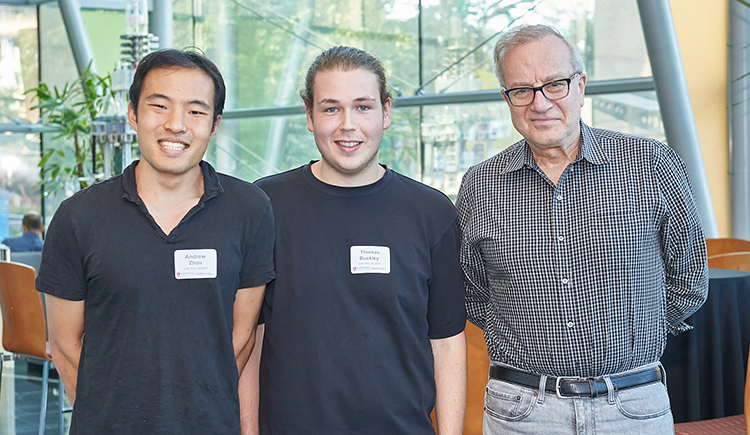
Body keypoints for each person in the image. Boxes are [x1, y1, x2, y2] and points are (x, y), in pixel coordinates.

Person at [456, 24, 708, 434]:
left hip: (632, 406)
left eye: (554, 84)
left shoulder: (651, 165)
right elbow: (472, 291)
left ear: (581, 85)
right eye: (521, 90)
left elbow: (689, 277)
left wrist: (634, 334)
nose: (539, 103)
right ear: (507, 98)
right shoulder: (479, 185)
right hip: (522, 413)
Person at [36, 49, 275, 435]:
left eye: (196, 111)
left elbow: (242, 335)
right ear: (133, 114)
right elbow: (65, 346)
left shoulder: (249, 210)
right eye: (159, 106)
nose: (176, 124)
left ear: (214, 125)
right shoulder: (78, 216)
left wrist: (195, 403)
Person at [240, 46, 467, 435]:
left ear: (386, 112)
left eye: (363, 107)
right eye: (331, 108)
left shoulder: (431, 212)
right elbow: (251, 338)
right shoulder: (266, 205)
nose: (348, 125)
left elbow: (446, 343)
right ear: (309, 116)